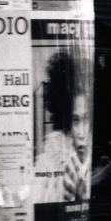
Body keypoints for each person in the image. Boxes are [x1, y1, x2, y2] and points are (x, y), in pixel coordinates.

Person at [33, 49, 91, 205]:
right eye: (75, 120)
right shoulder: (53, 165)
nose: (82, 133)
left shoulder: (86, 159)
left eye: (86, 119)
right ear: (64, 122)